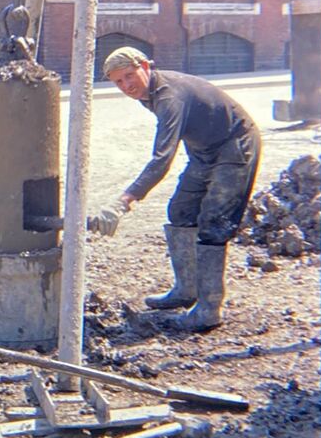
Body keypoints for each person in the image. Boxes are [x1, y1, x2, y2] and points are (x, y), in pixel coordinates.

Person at [93, 46, 261, 331]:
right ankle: (187, 290)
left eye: (130, 76)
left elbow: (162, 158)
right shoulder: (150, 92)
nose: (126, 85)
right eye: (118, 81)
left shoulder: (169, 96)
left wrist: (123, 201)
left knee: (214, 221)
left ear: (146, 66)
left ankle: (209, 308)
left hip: (235, 144)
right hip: (205, 151)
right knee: (181, 210)